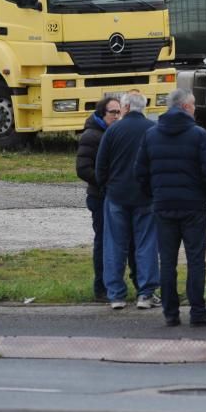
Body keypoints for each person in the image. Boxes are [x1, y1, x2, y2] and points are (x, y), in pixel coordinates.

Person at [136, 89, 206, 326]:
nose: (195, 109)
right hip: (193, 206)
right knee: (196, 261)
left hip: (164, 205)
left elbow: (140, 172)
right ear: (185, 107)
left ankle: (170, 312)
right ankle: (197, 311)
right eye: (193, 105)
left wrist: (154, 195)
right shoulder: (199, 135)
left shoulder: (151, 135)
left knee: (168, 262)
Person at [95, 91, 159, 310]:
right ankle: (145, 293)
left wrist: (107, 187)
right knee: (146, 244)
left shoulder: (113, 131)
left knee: (114, 245)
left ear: (126, 107)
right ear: (143, 106)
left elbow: (100, 167)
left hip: (116, 195)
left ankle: (116, 295)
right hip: (145, 196)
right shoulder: (152, 130)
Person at [75, 95, 125, 302]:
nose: (116, 116)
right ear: (101, 113)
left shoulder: (114, 132)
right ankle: (101, 288)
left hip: (113, 195)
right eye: (112, 112)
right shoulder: (91, 135)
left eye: (119, 112)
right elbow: (83, 169)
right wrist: (105, 181)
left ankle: (115, 285)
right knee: (103, 242)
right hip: (99, 196)